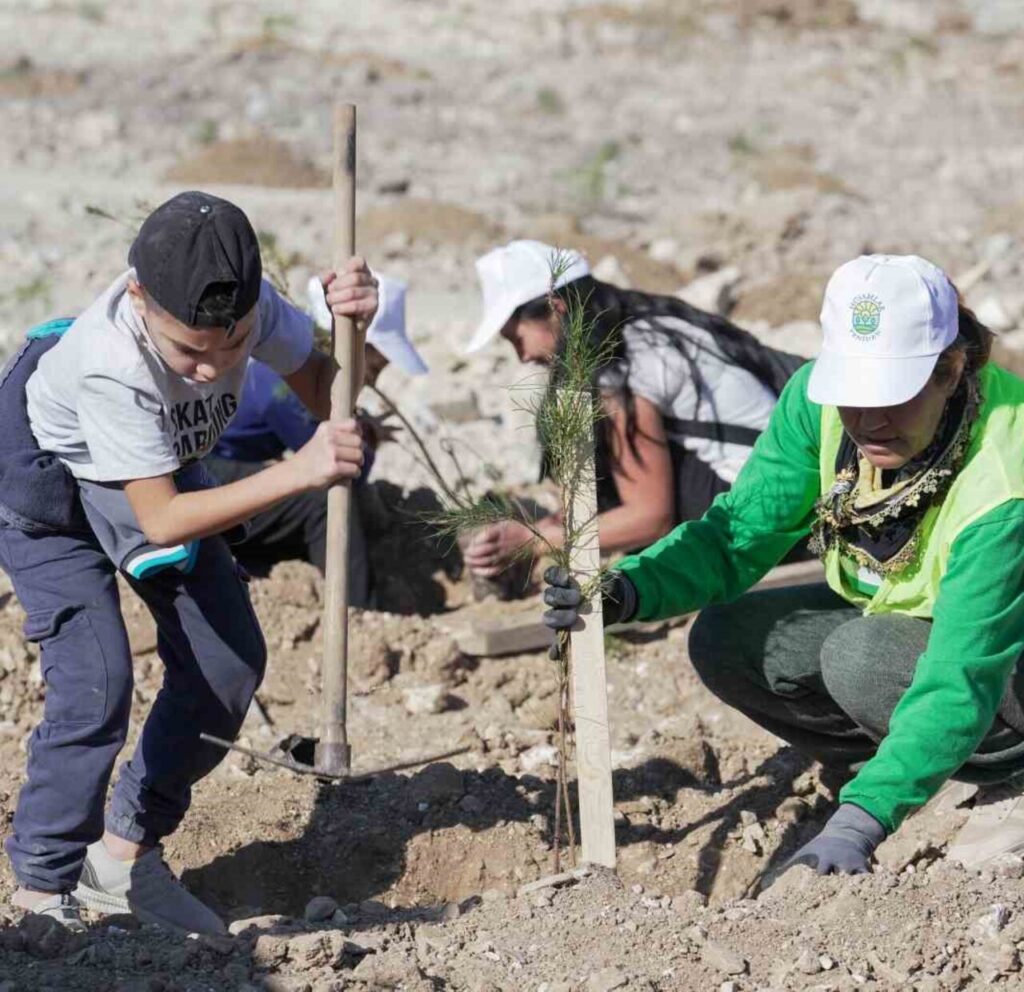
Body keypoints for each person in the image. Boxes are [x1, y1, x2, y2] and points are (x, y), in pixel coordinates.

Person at [543, 253, 1024, 874]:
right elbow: (736, 534)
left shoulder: (1005, 482)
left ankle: (1006, 773)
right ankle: (909, 765)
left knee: (864, 657)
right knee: (731, 637)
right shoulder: (817, 406)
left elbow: (962, 674)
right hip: (913, 624)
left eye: (892, 396)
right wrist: (628, 589)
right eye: (854, 394)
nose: (869, 419)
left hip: (999, 660)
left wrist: (860, 822)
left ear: (951, 371)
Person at [0, 191, 377, 933]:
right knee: (97, 681)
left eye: (230, 348)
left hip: (153, 461)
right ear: (138, 298)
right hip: (46, 483)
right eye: (188, 352)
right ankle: (41, 891)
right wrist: (300, 471)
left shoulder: (246, 305)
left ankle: (122, 861)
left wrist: (354, 326)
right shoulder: (109, 363)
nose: (210, 371)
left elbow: (335, 389)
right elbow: (165, 519)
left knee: (228, 665)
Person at [461, 239, 806, 584]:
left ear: (556, 308)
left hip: (771, 519)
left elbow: (650, 517)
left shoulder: (625, 366)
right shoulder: (641, 325)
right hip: (792, 488)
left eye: (516, 339)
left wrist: (535, 542)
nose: (522, 356)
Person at [206, 274, 427, 604]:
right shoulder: (281, 383)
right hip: (210, 474)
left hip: (226, 466)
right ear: (356, 348)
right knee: (325, 500)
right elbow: (341, 465)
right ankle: (357, 613)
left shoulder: (288, 363)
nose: (373, 380)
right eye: (374, 368)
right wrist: (367, 440)